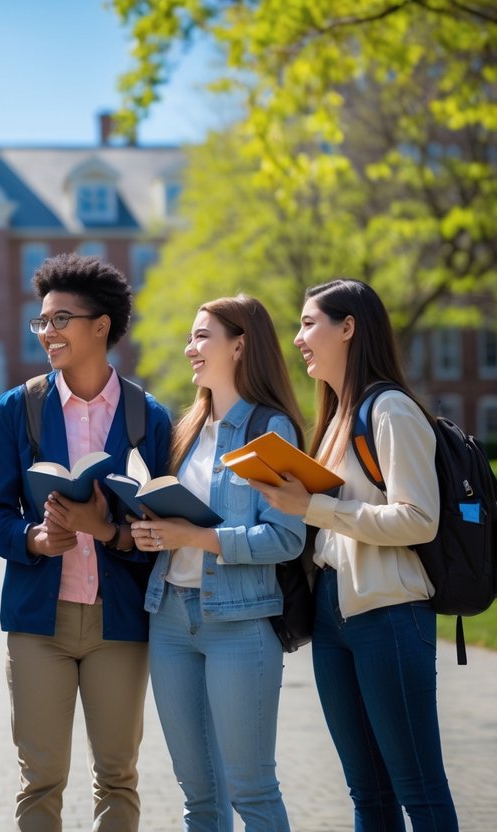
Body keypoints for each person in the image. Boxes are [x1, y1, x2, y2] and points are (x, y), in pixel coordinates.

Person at [252, 279, 459, 830]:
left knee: (419, 788)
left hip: (389, 614)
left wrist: (314, 507)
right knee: (367, 794)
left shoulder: (389, 409)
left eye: (308, 323)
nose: (298, 338)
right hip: (333, 615)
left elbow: (419, 519)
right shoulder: (337, 416)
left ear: (348, 328)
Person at [0, 252, 171, 832]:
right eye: (42, 321)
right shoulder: (18, 409)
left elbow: (165, 531)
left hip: (120, 622)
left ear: (101, 326)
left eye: (61, 319)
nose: (48, 333)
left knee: (118, 776)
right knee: (40, 778)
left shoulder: (150, 418)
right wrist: (36, 539)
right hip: (40, 622)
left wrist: (106, 530)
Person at [129, 296, 305, 830]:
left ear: (240, 343)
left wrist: (195, 536)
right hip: (170, 620)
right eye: (190, 337)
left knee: (251, 789)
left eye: (202, 336)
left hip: (241, 625)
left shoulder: (270, 431)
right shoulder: (186, 431)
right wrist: (156, 534)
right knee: (198, 796)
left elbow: (286, 538)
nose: (190, 349)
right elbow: (180, 525)